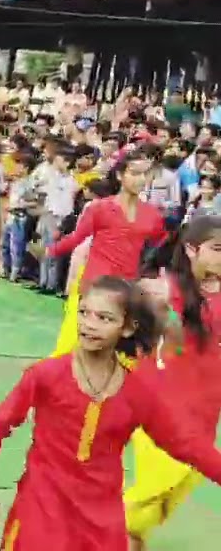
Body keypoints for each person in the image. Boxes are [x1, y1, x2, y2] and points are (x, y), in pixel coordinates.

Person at [0, 277, 221, 550]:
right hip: (41, 509)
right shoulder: (47, 375)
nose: (89, 324)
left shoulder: (136, 392)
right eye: (84, 312)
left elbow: (185, 444)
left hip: (102, 522)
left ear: (128, 328)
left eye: (104, 318)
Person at [123, 217, 221, 550]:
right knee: (158, 482)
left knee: (173, 490)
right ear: (191, 250)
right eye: (217, 249)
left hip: (204, 412)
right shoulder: (168, 287)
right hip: (162, 406)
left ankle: (127, 536)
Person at [46, 151, 167, 357]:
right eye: (135, 173)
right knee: (73, 345)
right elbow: (76, 238)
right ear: (120, 175)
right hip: (95, 283)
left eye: (145, 174)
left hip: (126, 287)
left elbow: (162, 245)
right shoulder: (100, 208)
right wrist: (50, 250)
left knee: (115, 348)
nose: (141, 179)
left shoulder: (152, 215)